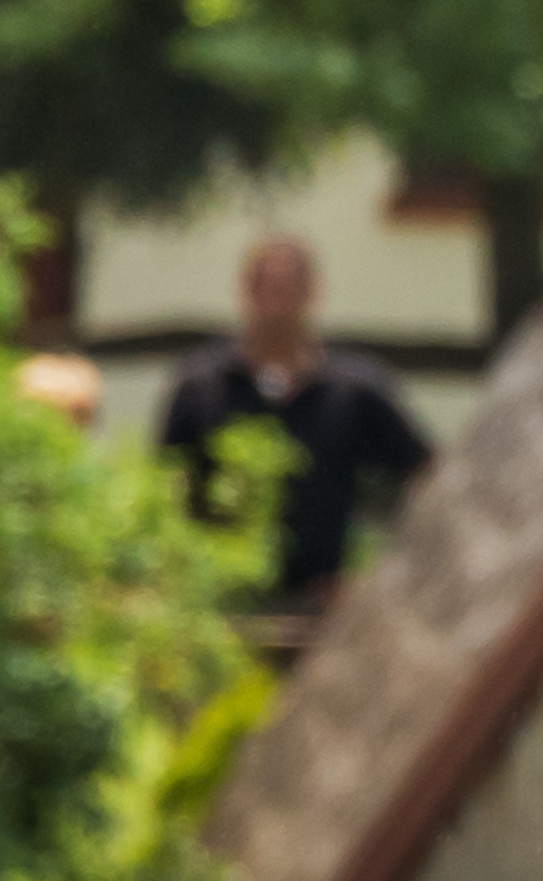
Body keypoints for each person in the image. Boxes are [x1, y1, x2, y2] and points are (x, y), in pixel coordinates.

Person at [155, 235, 432, 616]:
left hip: (324, 606)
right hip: (219, 602)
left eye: (288, 289)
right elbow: (163, 486)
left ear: (312, 292)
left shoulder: (352, 391)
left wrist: (382, 572)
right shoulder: (203, 386)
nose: (277, 303)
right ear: (245, 291)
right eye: (265, 288)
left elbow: (425, 474)